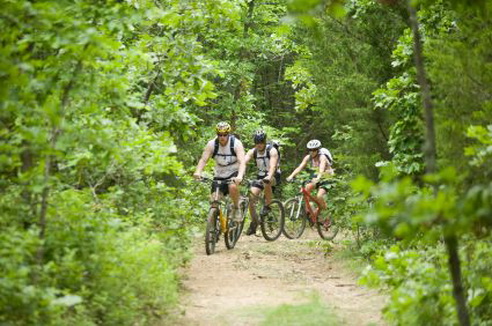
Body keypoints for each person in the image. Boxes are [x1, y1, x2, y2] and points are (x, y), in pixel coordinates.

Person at [193, 122, 246, 221]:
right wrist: (198, 172)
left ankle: (236, 208)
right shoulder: (212, 144)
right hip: (220, 173)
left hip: (235, 170)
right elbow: (204, 159)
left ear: (228, 134)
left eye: (225, 135)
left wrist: (240, 176)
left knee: (232, 186)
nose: (222, 137)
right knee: (214, 199)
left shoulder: (236, 143)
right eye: (219, 135)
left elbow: (242, 161)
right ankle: (213, 228)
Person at [243, 130, 280, 235]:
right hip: (260, 176)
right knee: (251, 198)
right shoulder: (252, 151)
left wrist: (269, 176)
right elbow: (244, 161)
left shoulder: (272, 151)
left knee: (266, 182)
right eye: (257, 142)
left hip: (273, 175)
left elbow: (273, 166)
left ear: (264, 142)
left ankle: (268, 206)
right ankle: (254, 222)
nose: (259, 145)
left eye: (261, 142)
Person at [286, 139, 334, 210]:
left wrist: (318, 178)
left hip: (326, 176)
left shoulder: (322, 157)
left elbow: (321, 169)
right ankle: (308, 210)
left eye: (314, 150)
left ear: (318, 150)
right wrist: (291, 176)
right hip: (316, 175)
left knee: (319, 196)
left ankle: (326, 216)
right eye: (310, 150)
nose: (312, 152)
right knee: (305, 189)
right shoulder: (308, 157)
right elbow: (300, 167)